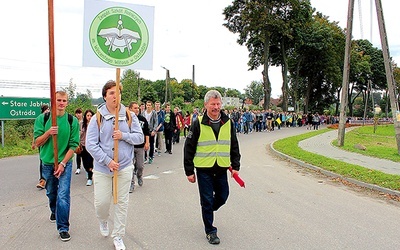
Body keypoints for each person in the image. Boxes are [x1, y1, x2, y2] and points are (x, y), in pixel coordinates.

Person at [85, 80, 143, 250]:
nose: (115, 96)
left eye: (117, 92)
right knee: (101, 204)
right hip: (103, 169)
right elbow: (90, 144)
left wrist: (124, 135)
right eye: (111, 93)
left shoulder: (128, 115)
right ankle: (103, 220)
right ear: (105, 96)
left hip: (124, 167)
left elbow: (139, 137)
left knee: (121, 203)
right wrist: (107, 161)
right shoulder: (97, 118)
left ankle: (118, 235)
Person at [184, 90, 241, 245]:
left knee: (223, 196)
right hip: (204, 169)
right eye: (212, 104)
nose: (216, 107)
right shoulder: (198, 123)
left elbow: (234, 144)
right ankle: (210, 231)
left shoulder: (228, 122)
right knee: (207, 200)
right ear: (206, 105)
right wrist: (189, 171)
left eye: (218, 104)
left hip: (221, 167)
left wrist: (236, 165)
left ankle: (208, 209)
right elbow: (189, 147)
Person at [33, 91, 80, 242]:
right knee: (52, 193)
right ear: (53, 101)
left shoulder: (72, 121)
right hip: (47, 163)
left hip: (64, 162)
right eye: (58, 100)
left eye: (64, 100)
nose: (61, 103)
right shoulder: (43, 118)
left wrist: (63, 163)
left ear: (67, 102)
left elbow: (73, 145)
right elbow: (36, 143)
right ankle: (54, 210)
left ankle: (63, 228)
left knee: (63, 195)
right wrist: (48, 132)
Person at [128, 101, 150, 192]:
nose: (137, 110)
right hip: (130, 146)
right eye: (135, 108)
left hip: (140, 146)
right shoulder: (127, 120)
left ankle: (139, 175)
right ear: (130, 109)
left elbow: (146, 132)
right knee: (131, 166)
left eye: (138, 108)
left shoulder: (142, 119)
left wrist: (147, 142)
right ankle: (131, 184)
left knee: (140, 165)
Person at [34, 104, 50, 189]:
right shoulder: (41, 118)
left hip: (50, 145)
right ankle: (42, 180)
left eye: (48, 109)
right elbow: (37, 133)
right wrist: (34, 143)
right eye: (46, 109)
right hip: (42, 145)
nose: (48, 111)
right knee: (43, 161)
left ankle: (45, 180)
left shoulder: (52, 118)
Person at [80, 109, 95, 186]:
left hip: (91, 146)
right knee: (85, 163)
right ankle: (88, 170)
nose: (89, 117)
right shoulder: (81, 124)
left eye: (91, 115)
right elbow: (78, 135)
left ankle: (90, 177)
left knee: (90, 161)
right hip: (83, 145)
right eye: (88, 115)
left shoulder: (95, 123)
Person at [74, 108, 83, 174]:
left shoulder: (83, 121)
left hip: (83, 140)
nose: (78, 115)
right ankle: (78, 167)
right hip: (77, 140)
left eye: (79, 113)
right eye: (77, 113)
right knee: (78, 154)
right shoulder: (74, 121)